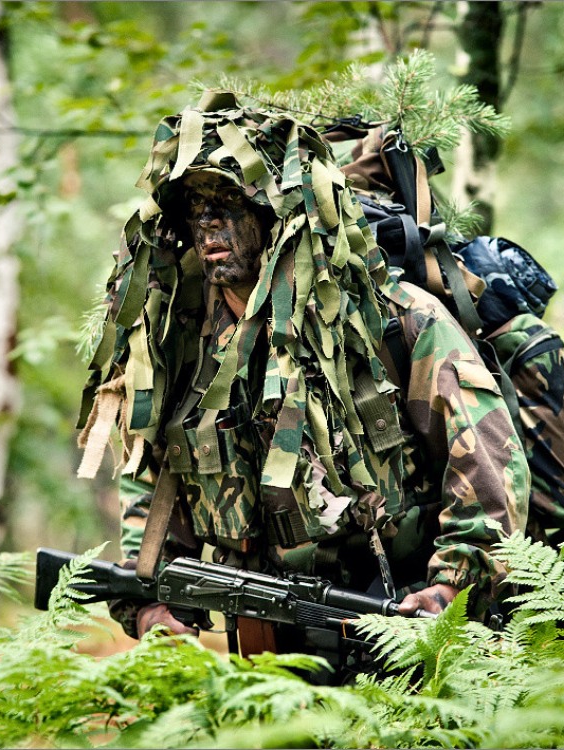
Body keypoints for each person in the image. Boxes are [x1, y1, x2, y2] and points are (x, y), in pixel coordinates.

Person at [75, 91, 530, 665]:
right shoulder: (181, 346)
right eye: (196, 209)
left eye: (229, 203)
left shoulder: (391, 320)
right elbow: (155, 485)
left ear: (275, 213)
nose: (211, 224)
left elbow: (488, 468)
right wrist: (151, 606)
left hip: (401, 620)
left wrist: (449, 589)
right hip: (267, 648)